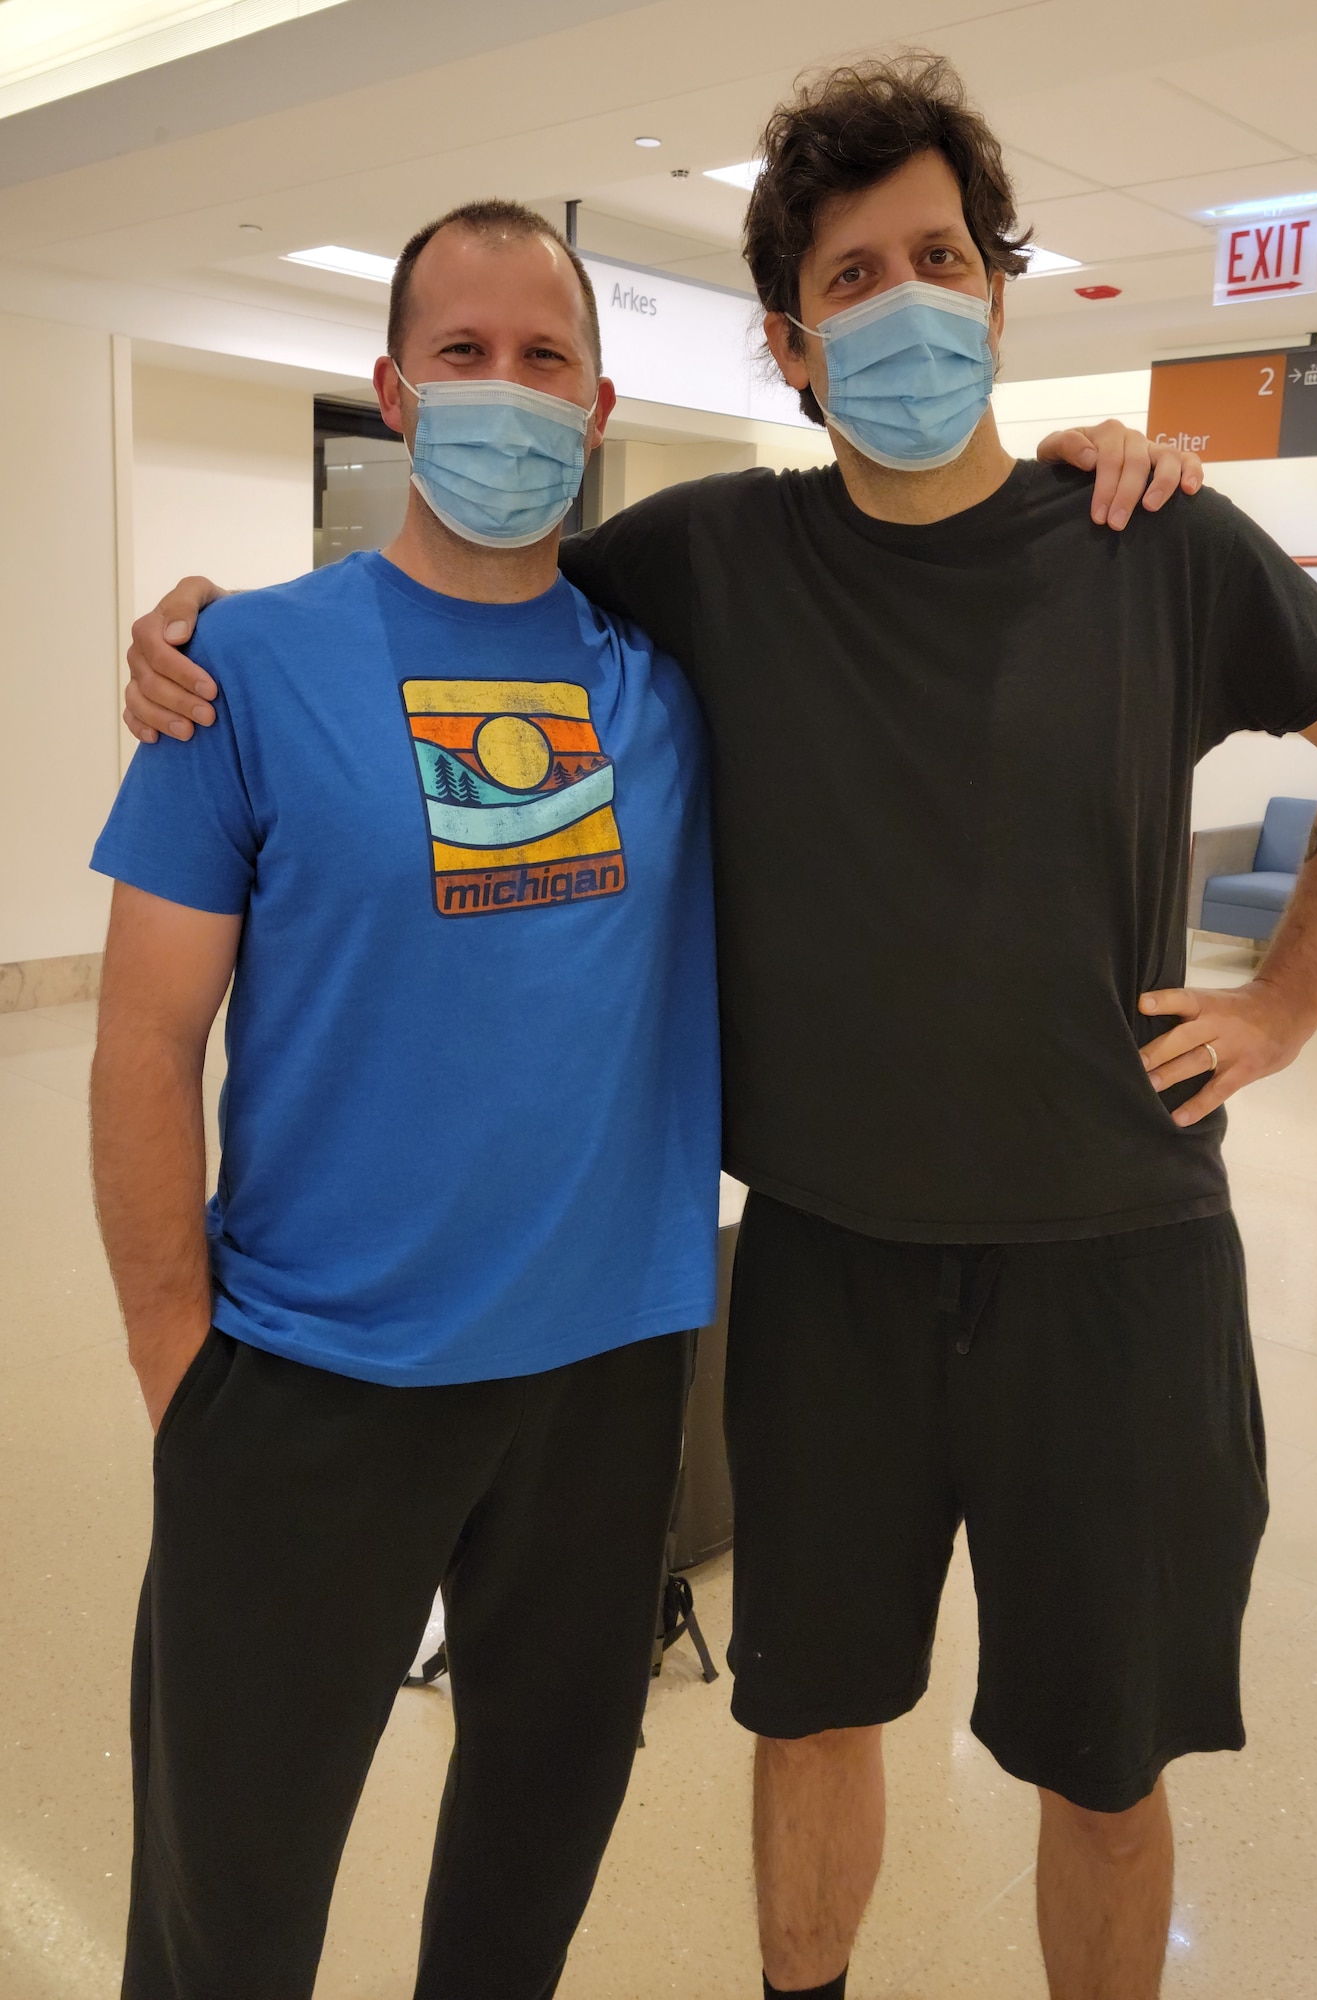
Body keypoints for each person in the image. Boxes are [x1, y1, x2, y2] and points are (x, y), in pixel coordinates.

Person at [123, 52, 1317, 2000]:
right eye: (848, 276)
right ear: (788, 341)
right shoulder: (710, 563)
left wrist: (1295, 991)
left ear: (994, 286)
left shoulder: (1152, 542)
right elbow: (462, 587)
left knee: (1100, 1758)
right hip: (822, 1262)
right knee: (806, 1715)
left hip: (1117, 1265)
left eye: (935, 256)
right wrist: (197, 631)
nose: (900, 301)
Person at [91, 200, 725, 2000]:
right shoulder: (243, 670)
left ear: (597, 406)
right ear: (390, 389)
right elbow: (144, 1039)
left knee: (534, 1856)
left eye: (544, 360)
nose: (504, 393)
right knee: (230, 1892)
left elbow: (907, 566)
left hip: (608, 1379)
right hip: (309, 1377)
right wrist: (178, 1366)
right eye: (463, 354)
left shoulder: (669, 680)